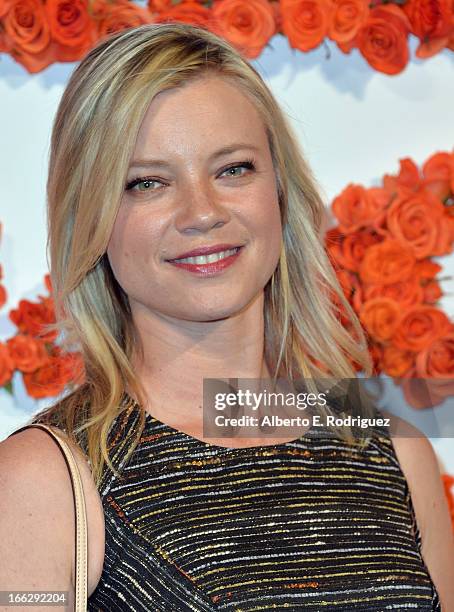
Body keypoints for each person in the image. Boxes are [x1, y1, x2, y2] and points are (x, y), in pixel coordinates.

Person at [1, 22, 453, 612]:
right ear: (91, 219)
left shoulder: (396, 453)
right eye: (147, 183)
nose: (202, 212)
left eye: (233, 169)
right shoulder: (41, 481)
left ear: (280, 192)